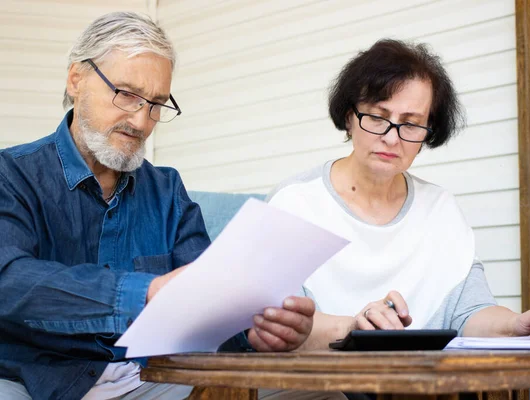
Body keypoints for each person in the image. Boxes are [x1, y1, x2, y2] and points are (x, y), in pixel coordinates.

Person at [0, 12, 344, 400]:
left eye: (156, 104)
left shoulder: (167, 189)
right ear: (76, 78)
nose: (142, 121)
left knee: (320, 393)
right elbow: (9, 281)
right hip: (37, 381)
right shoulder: (11, 174)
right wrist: (144, 293)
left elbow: (209, 302)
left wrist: (257, 331)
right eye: (127, 94)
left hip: (150, 376)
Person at [263, 39, 530, 399]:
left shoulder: (440, 208)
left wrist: (517, 325)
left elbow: (470, 312)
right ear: (349, 116)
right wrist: (353, 331)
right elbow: (278, 326)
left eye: (411, 124)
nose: (392, 138)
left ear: (427, 134)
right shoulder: (295, 202)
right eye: (377, 117)